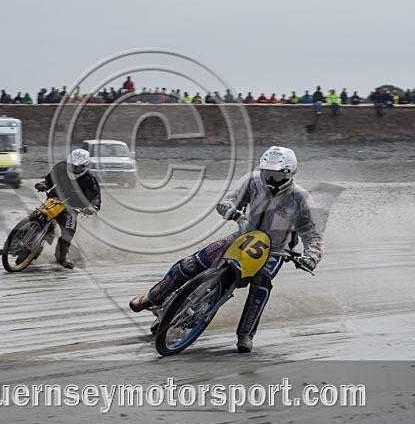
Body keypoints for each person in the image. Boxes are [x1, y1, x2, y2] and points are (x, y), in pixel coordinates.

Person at [129, 146, 323, 353]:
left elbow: (312, 233)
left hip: (274, 251)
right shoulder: (252, 180)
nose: (270, 177)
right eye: (267, 172)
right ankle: (152, 297)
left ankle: (246, 334)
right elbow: (230, 199)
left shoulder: (301, 198)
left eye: (275, 174)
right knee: (192, 263)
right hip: (241, 237)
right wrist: (229, 209)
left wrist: (312, 255)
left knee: (261, 281)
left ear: (288, 173)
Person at [32, 149, 101, 269]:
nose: (73, 169)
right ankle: (11, 243)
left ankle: (61, 259)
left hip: (71, 209)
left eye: (77, 167)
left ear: (85, 166)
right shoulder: (61, 167)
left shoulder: (89, 180)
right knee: (36, 215)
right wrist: (42, 184)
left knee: (68, 232)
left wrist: (92, 207)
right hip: (54, 199)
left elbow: (95, 196)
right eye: (71, 165)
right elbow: (48, 179)